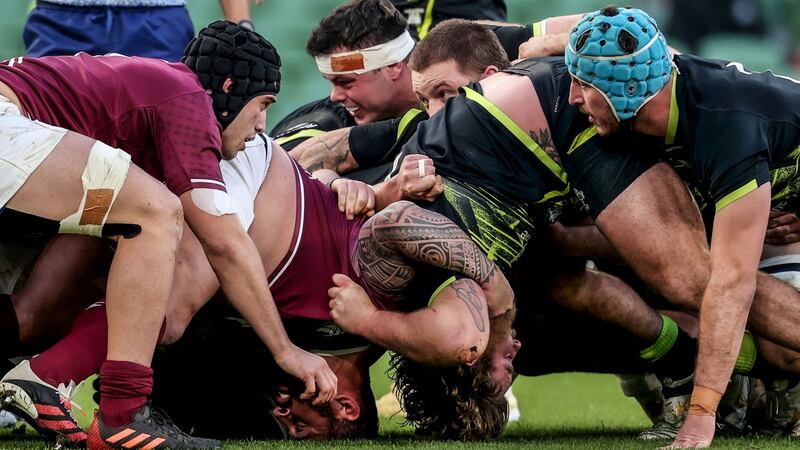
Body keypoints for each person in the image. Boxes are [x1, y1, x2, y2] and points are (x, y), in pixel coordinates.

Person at [0, 21, 335, 449]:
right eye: (263, 104)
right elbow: (224, 242)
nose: (260, 126)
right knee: (157, 213)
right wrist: (286, 351)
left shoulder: (153, 88)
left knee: (33, 314)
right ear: (230, 87)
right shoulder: (190, 97)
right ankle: (123, 415)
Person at [564, 6, 800, 447]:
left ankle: (749, 394)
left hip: (782, 228)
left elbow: (732, 283)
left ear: (627, 89)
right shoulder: (665, 89)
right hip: (767, 215)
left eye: (585, 84)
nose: (573, 98)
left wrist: (701, 413)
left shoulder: (726, 128)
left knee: (780, 347)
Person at [23, 0, 262, 61]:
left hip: (158, 21)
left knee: (154, 145)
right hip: (61, 18)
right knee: (54, 137)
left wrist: (242, 29)